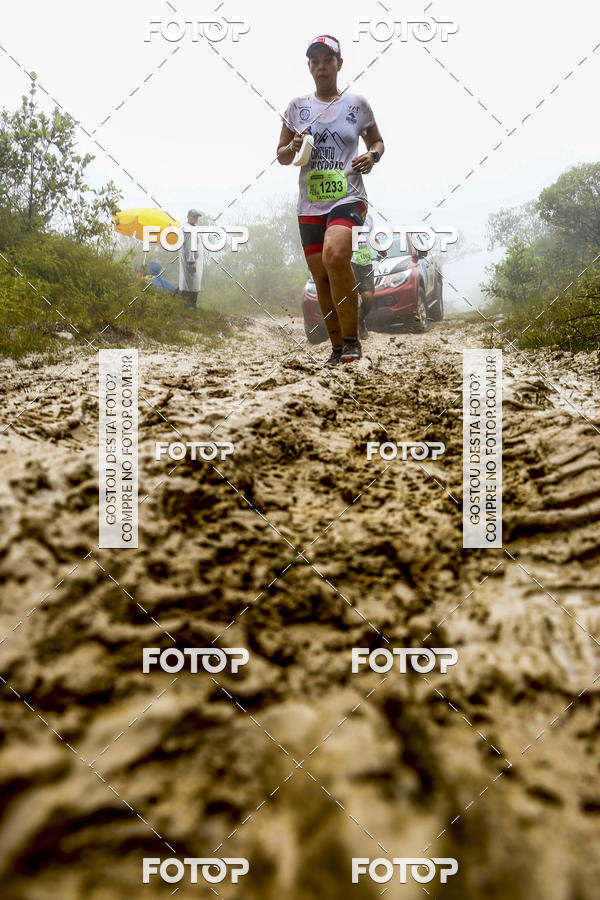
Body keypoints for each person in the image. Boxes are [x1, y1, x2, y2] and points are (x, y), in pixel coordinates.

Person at [277, 34, 384, 366]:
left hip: (349, 197)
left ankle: (353, 341)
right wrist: (293, 146)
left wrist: (372, 156)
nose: (322, 67)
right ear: (309, 67)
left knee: (335, 256)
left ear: (339, 64)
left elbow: (377, 141)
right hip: (310, 204)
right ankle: (338, 348)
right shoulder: (297, 107)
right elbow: (280, 156)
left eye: (328, 60)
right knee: (321, 276)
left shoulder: (357, 105)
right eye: (315, 61)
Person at [351, 213, 376, 339]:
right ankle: (351, 335)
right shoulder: (346, 214)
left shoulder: (369, 218)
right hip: (349, 262)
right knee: (351, 298)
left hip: (365, 262)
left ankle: (360, 320)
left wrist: (380, 248)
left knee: (368, 297)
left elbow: (371, 236)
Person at [179, 208, 204, 309]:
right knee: (191, 282)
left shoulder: (191, 227)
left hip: (194, 259)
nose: (195, 218)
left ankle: (189, 305)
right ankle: (190, 305)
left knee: (191, 282)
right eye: (193, 216)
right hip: (191, 260)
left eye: (197, 217)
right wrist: (191, 261)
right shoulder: (188, 229)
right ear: (188, 216)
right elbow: (189, 246)